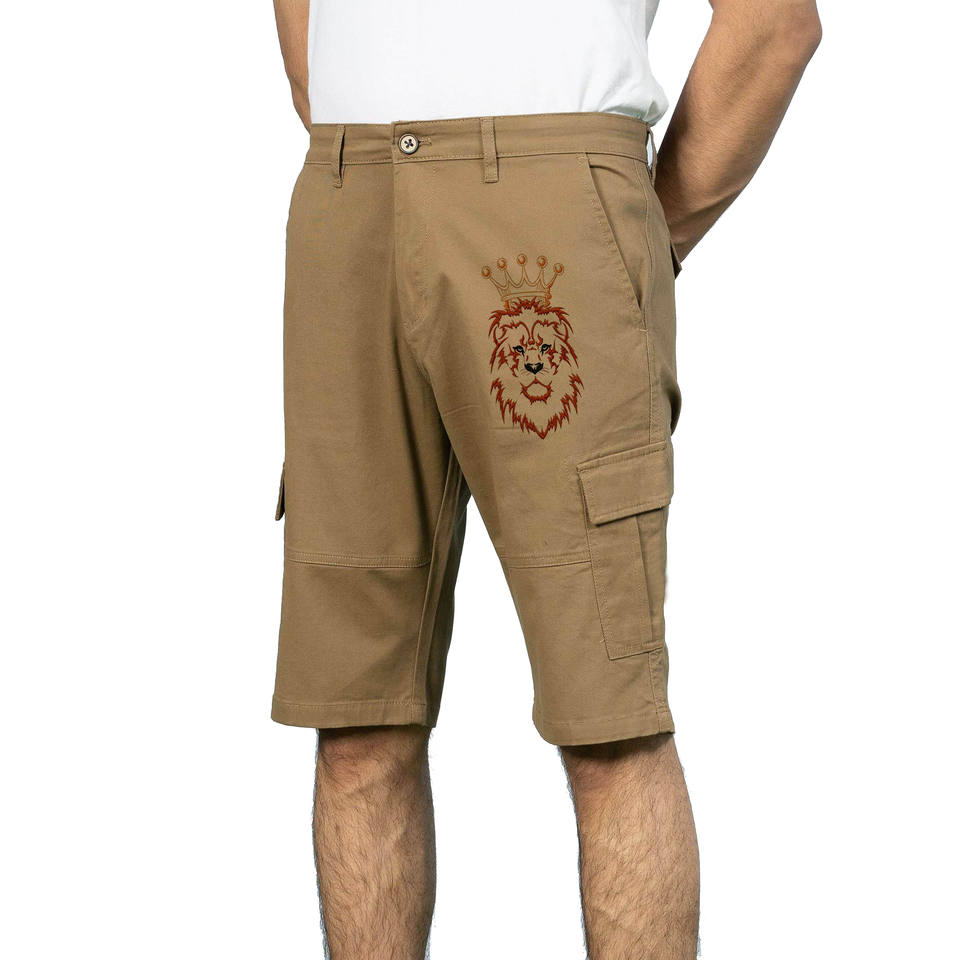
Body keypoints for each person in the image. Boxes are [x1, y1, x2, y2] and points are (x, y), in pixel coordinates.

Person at [270, 1, 820, 956]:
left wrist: (631, 233)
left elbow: (774, 23)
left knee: (608, 723)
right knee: (354, 720)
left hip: (556, 194)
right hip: (348, 189)